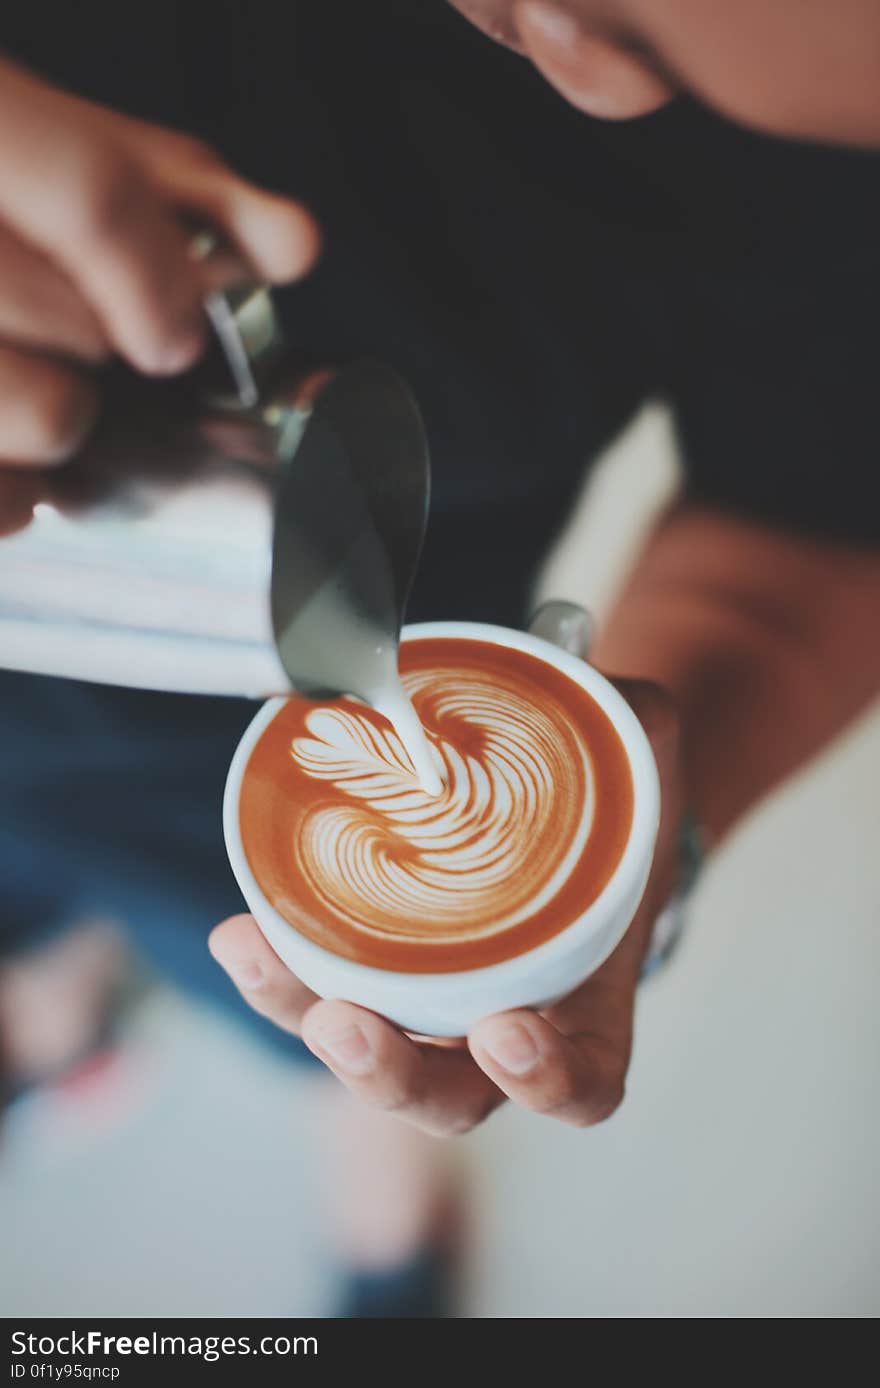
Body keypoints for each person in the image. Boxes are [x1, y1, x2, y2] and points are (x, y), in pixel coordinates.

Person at [1, 0, 879, 1315]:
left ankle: (382, 1216)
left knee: (343, 1042)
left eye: (672, 67)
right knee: (38, 924)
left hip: (358, 727)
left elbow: (813, 499)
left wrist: (640, 852)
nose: (595, 77)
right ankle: (58, 1005)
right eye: (599, 11)